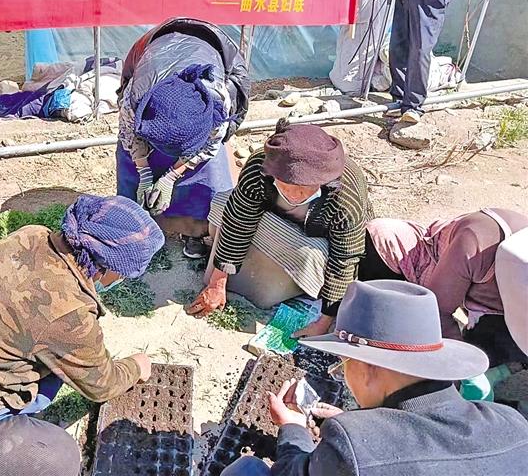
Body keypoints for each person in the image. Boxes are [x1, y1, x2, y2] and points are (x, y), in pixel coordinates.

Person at [0, 195, 165, 476]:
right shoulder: (68, 314)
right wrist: (136, 367)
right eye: (124, 274)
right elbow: (102, 385)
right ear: (107, 268)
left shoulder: (31, 235)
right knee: (58, 458)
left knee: (60, 364)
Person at [220, 279, 528, 476]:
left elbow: (291, 472)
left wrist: (293, 428)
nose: (344, 376)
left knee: (247, 470)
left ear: (367, 367)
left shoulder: (350, 442)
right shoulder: (512, 423)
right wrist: (368, 430)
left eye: (342, 366)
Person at [188, 121, 373, 338]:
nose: (294, 195)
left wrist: (324, 322)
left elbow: (345, 259)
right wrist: (217, 281)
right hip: (273, 219)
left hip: (316, 239)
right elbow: (239, 220)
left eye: (303, 189)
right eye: (286, 186)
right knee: (225, 202)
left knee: (312, 255)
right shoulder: (259, 168)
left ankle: (287, 286)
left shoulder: (344, 197)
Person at [116, 17, 249, 259]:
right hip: (155, 62)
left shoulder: (218, 103)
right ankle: (136, 226)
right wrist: (144, 172)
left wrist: (170, 176)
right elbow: (130, 135)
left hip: (211, 56)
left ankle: (195, 230)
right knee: (130, 167)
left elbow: (209, 146)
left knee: (208, 172)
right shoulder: (136, 98)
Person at [362, 208, 528, 367]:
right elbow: (437, 314)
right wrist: (462, 368)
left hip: (472, 283)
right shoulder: (475, 244)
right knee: (393, 339)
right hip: (388, 263)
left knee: (502, 346)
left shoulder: (518, 270)